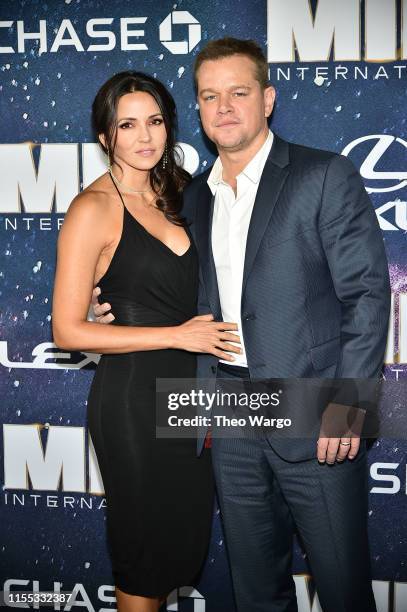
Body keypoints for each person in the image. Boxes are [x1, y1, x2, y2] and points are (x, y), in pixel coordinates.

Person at [92, 40, 391, 612]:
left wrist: (350, 403)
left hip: (314, 407)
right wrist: (109, 309)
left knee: (344, 589)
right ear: (199, 112)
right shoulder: (191, 198)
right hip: (227, 413)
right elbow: (153, 275)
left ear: (269, 99)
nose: (224, 107)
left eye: (239, 92)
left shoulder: (322, 175)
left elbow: (368, 295)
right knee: (255, 590)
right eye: (210, 96)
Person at [52, 70, 242, 612]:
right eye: (128, 124)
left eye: (155, 121)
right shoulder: (92, 209)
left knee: (180, 550)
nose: (145, 136)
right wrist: (178, 335)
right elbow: (66, 330)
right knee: (144, 558)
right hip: (133, 402)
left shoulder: (183, 191)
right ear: (105, 136)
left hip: (194, 397)